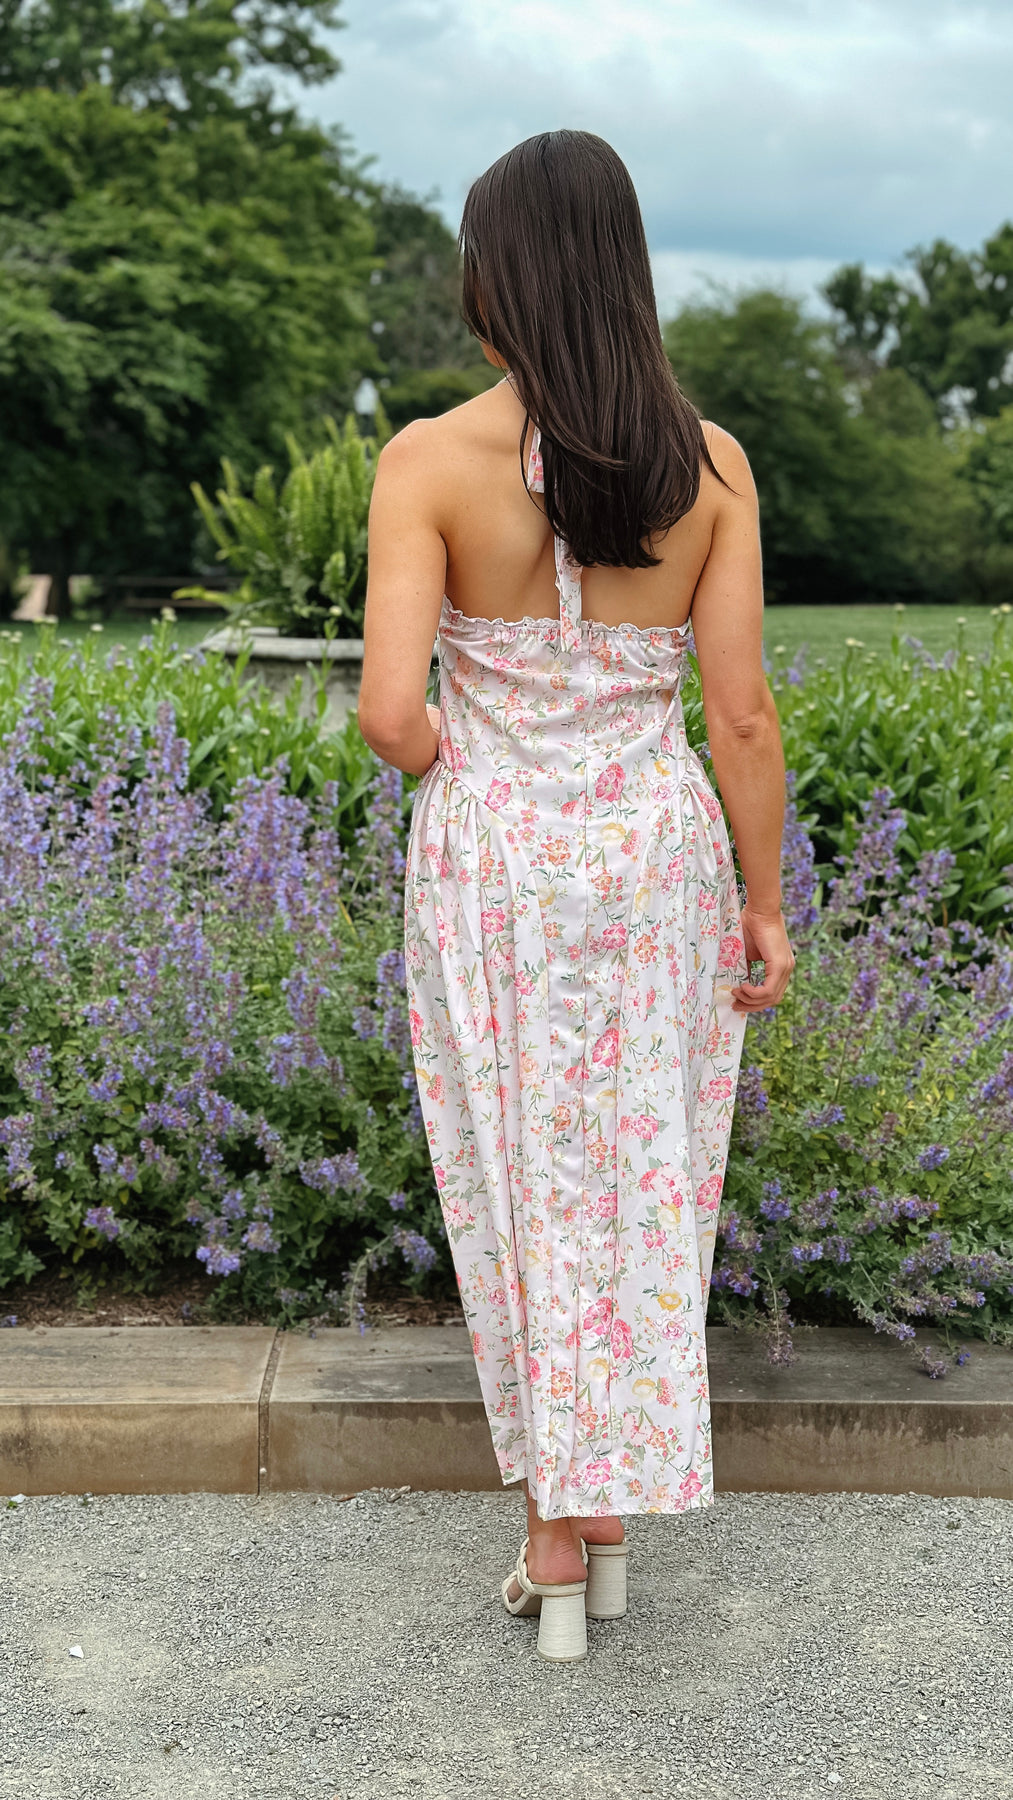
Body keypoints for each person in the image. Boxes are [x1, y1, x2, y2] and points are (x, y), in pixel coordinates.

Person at [357, 129, 794, 1662]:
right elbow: (739, 717)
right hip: (653, 861)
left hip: (493, 871)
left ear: (495, 278)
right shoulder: (710, 465)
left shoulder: (426, 461)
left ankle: (556, 1523)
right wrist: (763, 906)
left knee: (517, 1182)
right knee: (639, 1180)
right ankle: (601, 1515)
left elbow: (388, 713)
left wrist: (474, 772)